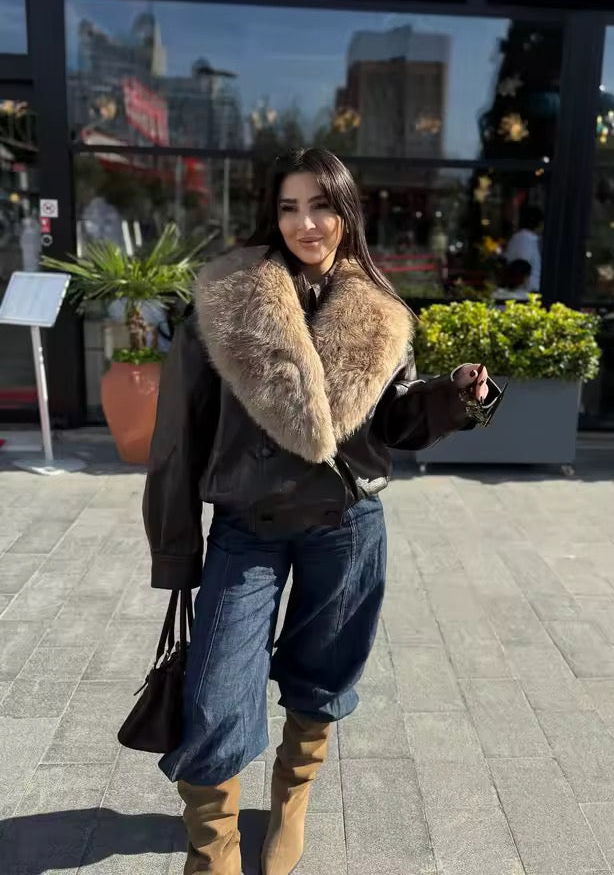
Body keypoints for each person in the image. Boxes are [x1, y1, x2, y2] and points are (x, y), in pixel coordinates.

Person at [143, 148, 496, 875]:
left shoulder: (380, 309)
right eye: (289, 207)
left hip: (347, 527)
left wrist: (456, 395)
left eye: (321, 206)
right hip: (247, 527)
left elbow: (391, 421)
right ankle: (212, 852)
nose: (306, 223)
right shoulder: (224, 300)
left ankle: (292, 802)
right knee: (214, 694)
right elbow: (177, 436)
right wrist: (176, 551)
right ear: (270, 215)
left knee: (322, 678)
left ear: (346, 212)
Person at [505, 204, 544, 293]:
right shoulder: (533, 240)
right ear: (539, 223)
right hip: (529, 289)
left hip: (515, 288)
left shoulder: (514, 238)